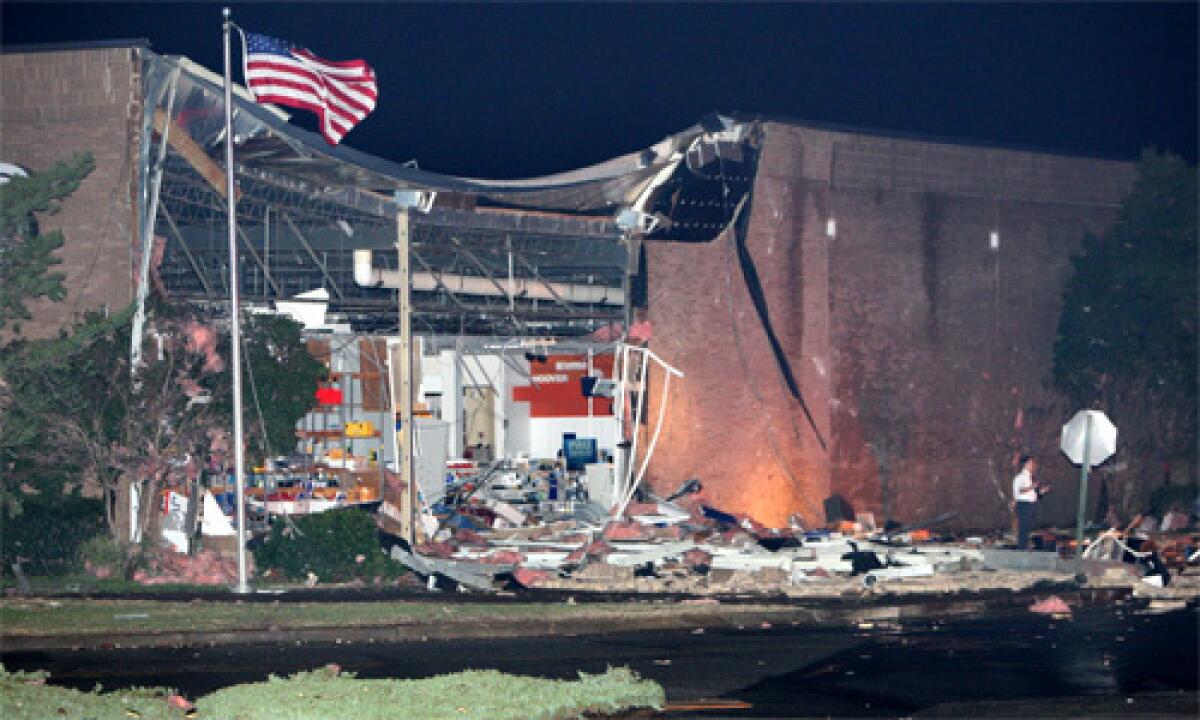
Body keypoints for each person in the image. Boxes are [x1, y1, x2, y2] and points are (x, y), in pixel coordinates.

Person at [1012, 454, 1047, 549]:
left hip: (1030, 504)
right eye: (1031, 463)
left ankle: (1024, 546)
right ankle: (1021, 548)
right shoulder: (1020, 477)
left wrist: (1041, 491)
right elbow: (1020, 490)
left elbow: (1034, 493)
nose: (1033, 465)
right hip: (1023, 504)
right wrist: (1032, 487)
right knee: (1023, 528)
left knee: (1027, 528)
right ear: (1025, 464)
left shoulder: (1031, 478)